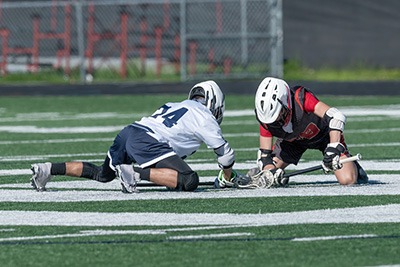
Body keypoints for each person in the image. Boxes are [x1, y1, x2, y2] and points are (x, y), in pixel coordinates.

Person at [30, 80, 238, 193]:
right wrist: (226, 178)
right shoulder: (205, 116)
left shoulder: (176, 105)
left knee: (102, 175)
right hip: (147, 140)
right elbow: (225, 156)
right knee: (189, 180)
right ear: (215, 103)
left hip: (129, 132)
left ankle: (47, 169)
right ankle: (134, 174)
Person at [247, 77, 368, 188]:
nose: (276, 122)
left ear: (286, 102)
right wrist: (271, 172)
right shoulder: (265, 118)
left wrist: (333, 149)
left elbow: (336, 117)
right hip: (292, 142)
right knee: (268, 176)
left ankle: (354, 166)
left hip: (324, 136)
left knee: (348, 180)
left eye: (278, 115)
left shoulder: (300, 98)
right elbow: (265, 157)